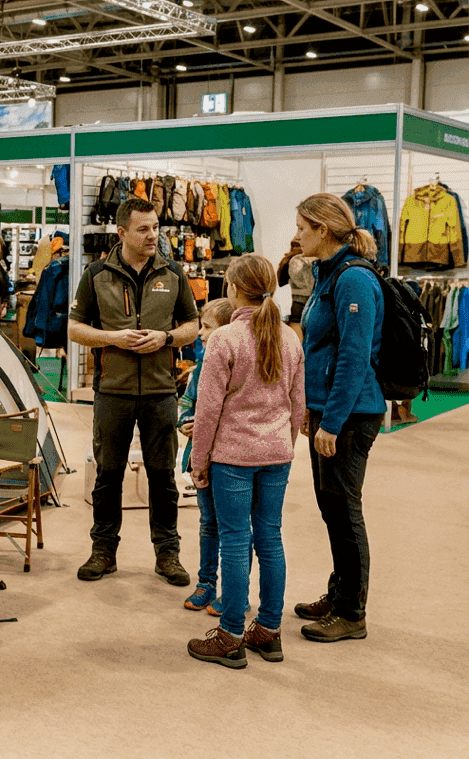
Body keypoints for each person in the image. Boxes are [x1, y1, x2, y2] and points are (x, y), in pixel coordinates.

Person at [68, 197, 200, 585]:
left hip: (161, 392)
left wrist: (167, 337)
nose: (152, 236)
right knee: (108, 475)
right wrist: (115, 338)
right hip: (113, 391)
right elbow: (75, 329)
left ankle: (168, 554)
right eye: (143, 229)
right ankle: (103, 552)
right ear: (122, 232)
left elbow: (193, 324)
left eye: (156, 227)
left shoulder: (173, 273)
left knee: (163, 478)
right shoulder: (95, 274)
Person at [186, 254, 305, 669]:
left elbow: (208, 410)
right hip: (277, 455)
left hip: (233, 457)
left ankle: (231, 635)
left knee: (235, 541)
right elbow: (297, 404)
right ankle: (269, 632)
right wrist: (282, 445)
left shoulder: (225, 339)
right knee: (269, 538)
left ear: (234, 289)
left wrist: (199, 460)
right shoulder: (290, 337)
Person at [293, 192, 385, 643]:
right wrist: (315, 411)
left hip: (352, 414)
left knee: (345, 510)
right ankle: (339, 590)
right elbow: (320, 350)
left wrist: (331, 421)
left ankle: (353, 611)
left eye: (301, 227)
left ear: (323, 230)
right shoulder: (327, 274)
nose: (296, 236)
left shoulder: (353, 280)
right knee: (331, 507)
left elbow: (352, 357)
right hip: (330, 410)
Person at [177, 297, 234, 613]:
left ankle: (232, 589)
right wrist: (186, 421)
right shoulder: (198, 371)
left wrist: (204, 423)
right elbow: (186, 403)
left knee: (234, 531)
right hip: (201, 460)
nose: (199, 333)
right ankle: (205, 583)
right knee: (207, 524)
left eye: (207, 327)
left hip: (229, 461)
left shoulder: (237, 366)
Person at [276, 235, 316, 342]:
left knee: (297, 347)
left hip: (296, 308)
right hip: (312, 305)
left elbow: (281, 282)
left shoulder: (288, 261)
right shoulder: (311, 261)